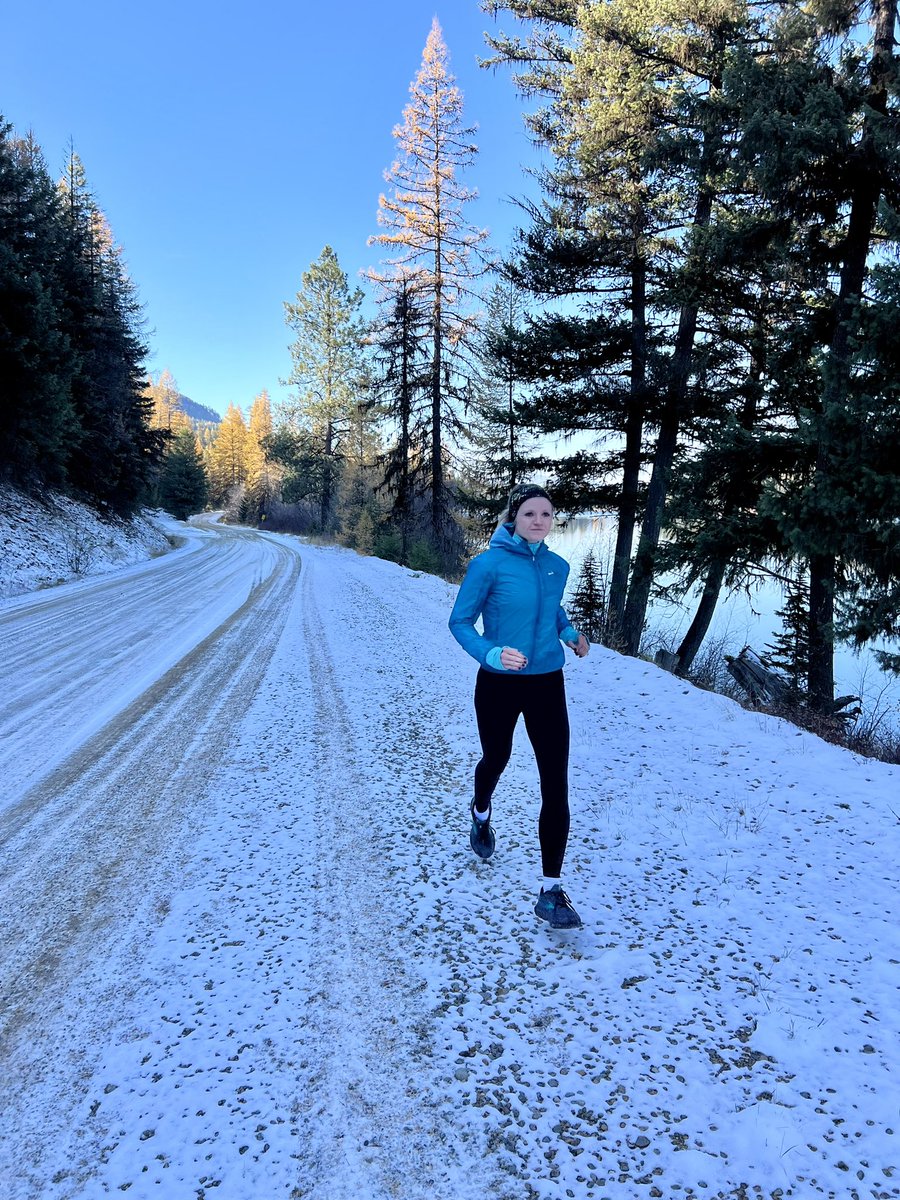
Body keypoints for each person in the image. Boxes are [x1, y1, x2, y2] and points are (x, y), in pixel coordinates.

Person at [448, 483, 589, 929]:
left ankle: (551, 890)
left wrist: (568, 633)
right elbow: (460, 622)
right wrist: (492, 653)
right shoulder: (487, 564)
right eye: (530, 513)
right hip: (499, 682)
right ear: (514, 518)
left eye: (546, 515)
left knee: (555, 779)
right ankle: (481, 811)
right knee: (498, 757)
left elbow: (552, 609)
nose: (538, 521)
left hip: (548, 680)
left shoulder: (557, 566)